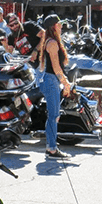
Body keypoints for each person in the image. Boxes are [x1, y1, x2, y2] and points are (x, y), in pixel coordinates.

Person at [37, 13, 72, 159]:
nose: (61, 26)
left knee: (53, 116)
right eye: (59, 24)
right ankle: (51, 149)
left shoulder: (50, 41)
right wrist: (66, 83)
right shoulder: (52, 43)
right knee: (53, 116)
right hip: (51, 81)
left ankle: (50, 146)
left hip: (50, 80)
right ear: (53, 26)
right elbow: (57, 68)